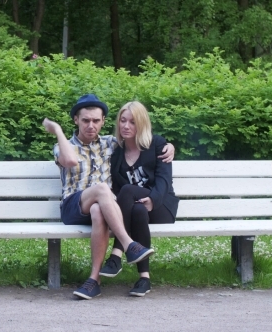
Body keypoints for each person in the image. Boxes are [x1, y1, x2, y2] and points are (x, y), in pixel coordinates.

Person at [42, 94, 174, 300]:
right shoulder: (64, 146)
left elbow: (138, 140)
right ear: (76, 120)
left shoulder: (110, 144)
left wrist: (170, 146)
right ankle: (129, 245)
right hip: (73, 205)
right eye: (85, 120)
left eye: (96, 120)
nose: (91, 125)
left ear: (103, 121)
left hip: (102, 208)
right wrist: (58, 130)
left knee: (98, 209)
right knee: (103, 189)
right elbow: (68, 160)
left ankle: (94, 280)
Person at [99, 101, 179, 297]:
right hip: (135, 210)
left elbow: (164, 180)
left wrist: (153, 199)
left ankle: (117, 254)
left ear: (142, 124)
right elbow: (116, 191)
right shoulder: (117, 154)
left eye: (133, 122)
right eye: (123, 121)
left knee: (128, 190)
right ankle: (144, 278)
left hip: (162, 206)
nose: (126, 126)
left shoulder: (157, 145)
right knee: (137, 209)